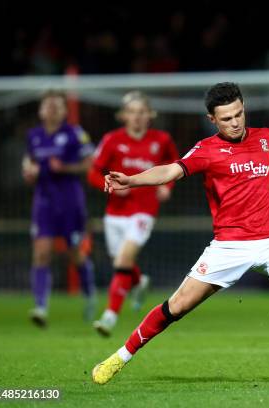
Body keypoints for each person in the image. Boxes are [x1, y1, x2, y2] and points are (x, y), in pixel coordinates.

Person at [91, 82, 269, 385]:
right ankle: (119, 357)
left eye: (239, 114)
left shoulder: (266, 138)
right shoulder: (207, 149)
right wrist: (131, 180)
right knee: (176, 307)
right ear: (213, 119)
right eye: (226, 119)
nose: (235, 122)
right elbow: (169, 171)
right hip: (228, 246)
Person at [88, 91, 179, 336]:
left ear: (150, 115)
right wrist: (109, 188)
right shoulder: (112, 140)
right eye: (132, 112)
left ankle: (109, 316)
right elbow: (93, 173)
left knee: (123, 260)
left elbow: (176, 164)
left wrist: (167, 186)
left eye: (142, 112)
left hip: (144, 211)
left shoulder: (161, 139)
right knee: (122, 263)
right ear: (123, 116)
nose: (137, 117)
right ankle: (139, 282)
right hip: (115, 213)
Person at [22, 90, 96, 327]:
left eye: (56, 105)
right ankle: (41, 307)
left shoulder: (75, 133)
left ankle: (89, 295)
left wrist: (64, 168)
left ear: (64, 111)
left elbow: (90, 164)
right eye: (48, 105)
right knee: (41, 252)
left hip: (70, 203)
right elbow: (29, 163)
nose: (52, 109)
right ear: (41, 110)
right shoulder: (33, 135)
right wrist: (29, 172)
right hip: (43, 202)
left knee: (74, 253)